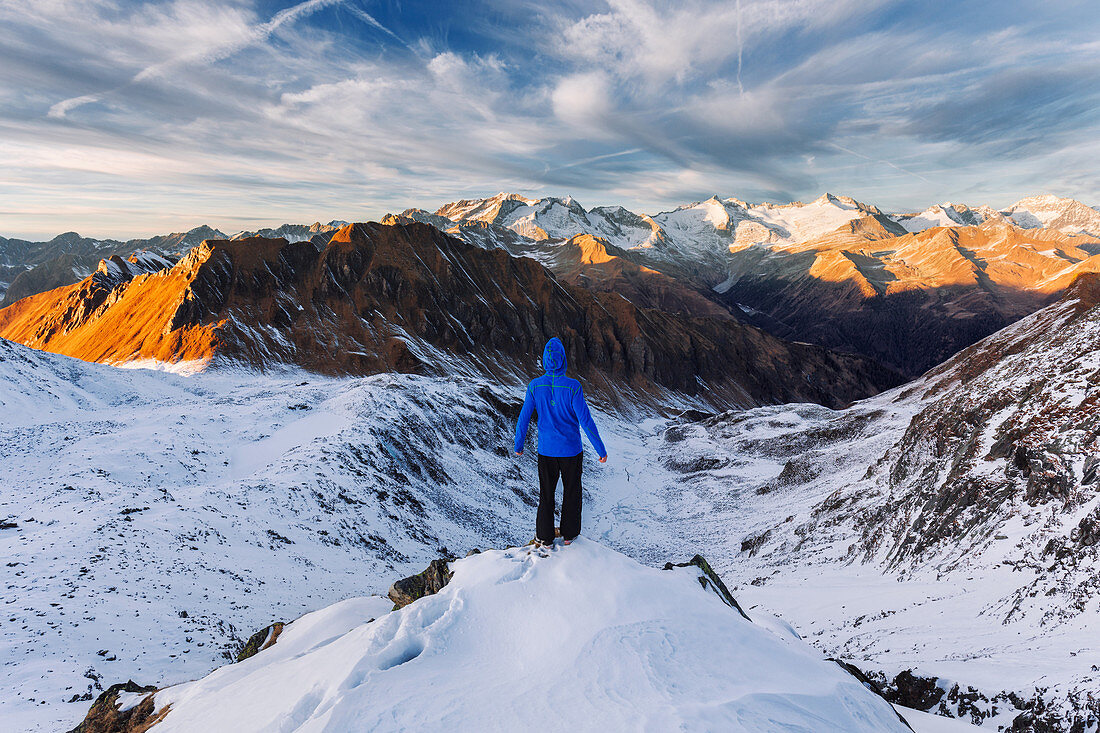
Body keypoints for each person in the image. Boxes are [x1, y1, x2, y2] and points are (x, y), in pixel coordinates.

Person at [514, 337, 607, 548]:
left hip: (546, 451)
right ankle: (569, 534)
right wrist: (600, 449)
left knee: (546, 492)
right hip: (571, 452)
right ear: (564, 359)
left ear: (545, 361)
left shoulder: (535, 386)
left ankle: (545, 537)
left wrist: (518, 445)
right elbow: (586, 421)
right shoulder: (573, 387)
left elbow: (524, 418)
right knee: (572, 491)